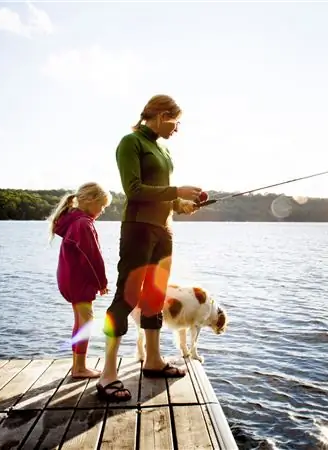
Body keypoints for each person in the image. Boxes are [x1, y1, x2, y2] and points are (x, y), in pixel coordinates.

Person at [96, 94, 203, 402]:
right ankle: (107, 375)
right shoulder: (131, 143)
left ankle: (153, 361)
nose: (177, 128)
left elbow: (161, 195)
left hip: (163, 231)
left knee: (155, 296)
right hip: (138, 229)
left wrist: (180, 204)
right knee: (128, 296)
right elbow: (134, 190)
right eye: (175, 120)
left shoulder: (163, 148)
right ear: (158, 115)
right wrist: (177, 190)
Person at [48, 181, 112, 379]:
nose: (102, 210)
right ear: (91, 201)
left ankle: (78, 365)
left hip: (69, 277)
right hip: (79, 279)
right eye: (101, 206)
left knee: (81, 320)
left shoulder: (74, 221)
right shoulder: (83, 224)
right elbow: (92, 257)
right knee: (86, 321)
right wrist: (101, 283)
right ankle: (79, 368)